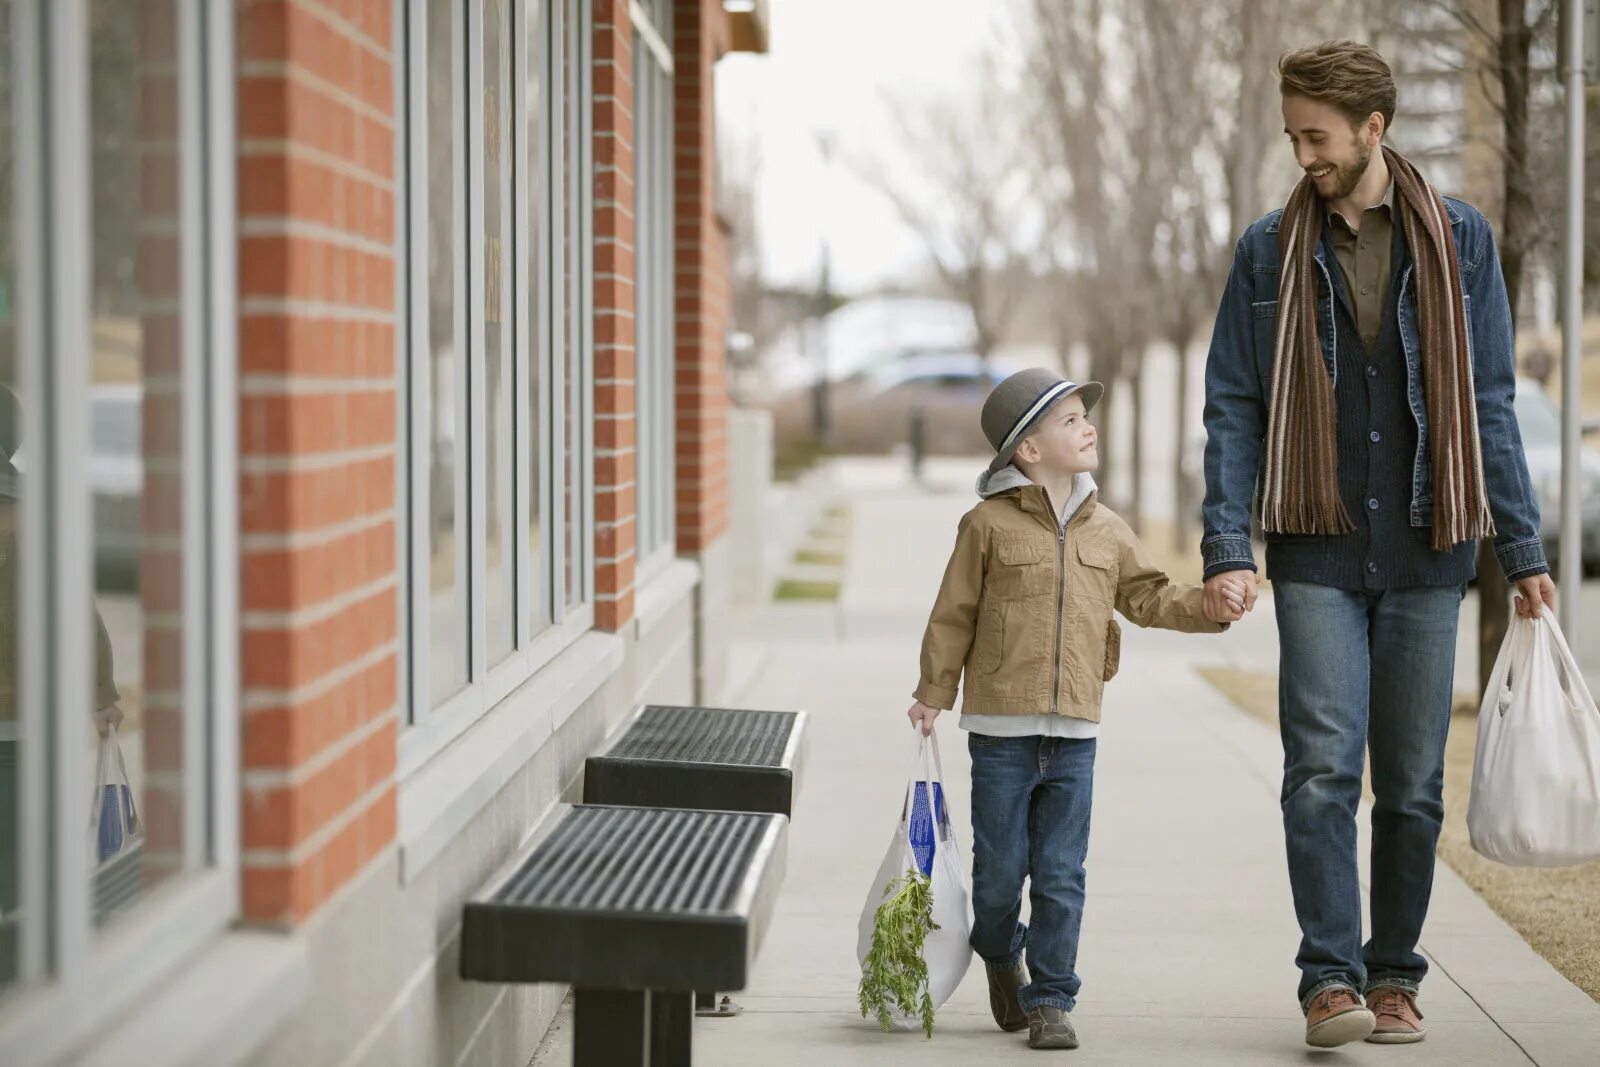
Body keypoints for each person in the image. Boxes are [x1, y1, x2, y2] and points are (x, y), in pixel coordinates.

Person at [1200, 41, 1555, 1048]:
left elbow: (1487, 400)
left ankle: (1394, 975)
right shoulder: (1266, 249)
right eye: (1291, 135)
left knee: (1408, 779)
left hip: (1424, 541)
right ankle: (1328, 978)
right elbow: (1232, 403)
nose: (1301, 152)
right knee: (1319, 766)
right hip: (1314, 540)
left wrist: (1521, 551)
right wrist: (1227, 542)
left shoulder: (1463, 243)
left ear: (1372, 129)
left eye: (1316, 135)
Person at [906, 367, 1242, 1050]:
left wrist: (1208, 607)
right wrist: (934, 691)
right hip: (1001, 730)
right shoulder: (986, 526)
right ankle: (1001, 951)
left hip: (1075, 733)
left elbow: (1149, 597)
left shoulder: (1108, 528)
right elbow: (953, 614)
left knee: (1061, 872)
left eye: (1084, 416)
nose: (1086, 426)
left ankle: (1053, 996)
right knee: (999, 878)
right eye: (1068, 419)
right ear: (1028, 449)